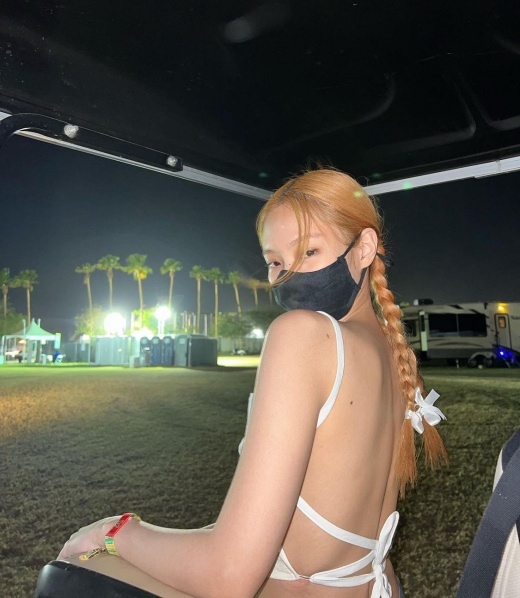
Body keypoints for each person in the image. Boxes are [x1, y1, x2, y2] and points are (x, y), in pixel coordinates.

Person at [58, 168, 447, 598]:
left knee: (69, 570)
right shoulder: (395, 353)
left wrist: (113, 531)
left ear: (364, 248)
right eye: (276, 262)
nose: (289, 276)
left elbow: (228, 577)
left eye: (309, 251)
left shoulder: (303, 335)